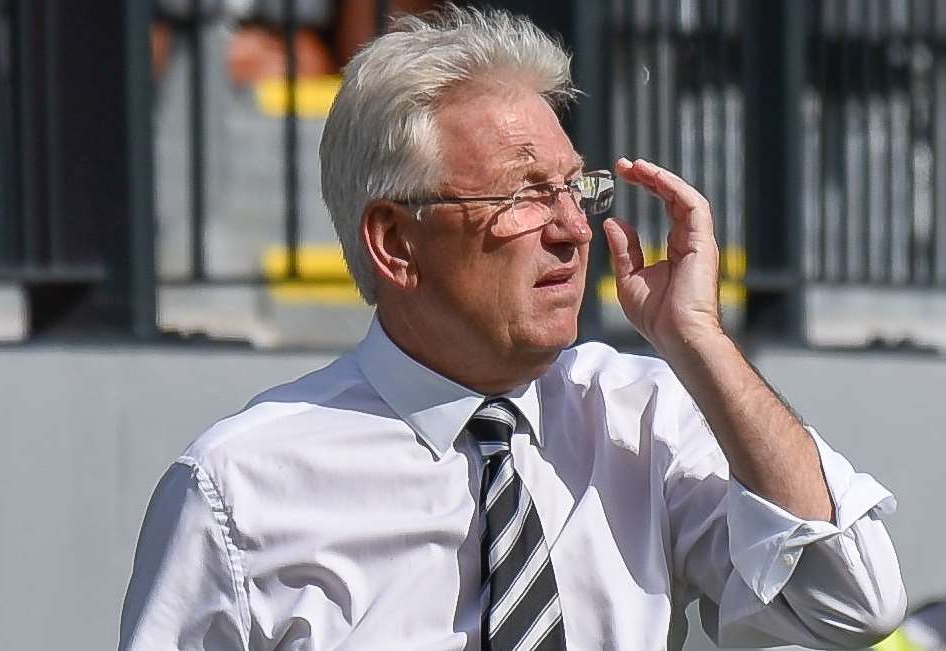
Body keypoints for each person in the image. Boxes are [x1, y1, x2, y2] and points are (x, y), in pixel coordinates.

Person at [119, 6, 906, 649]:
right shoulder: (241, 485)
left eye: (576, 188)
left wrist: (700, 339)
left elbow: (853, 603)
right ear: (395, 241)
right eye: (523, 195)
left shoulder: (642, 416)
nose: (573, 227)